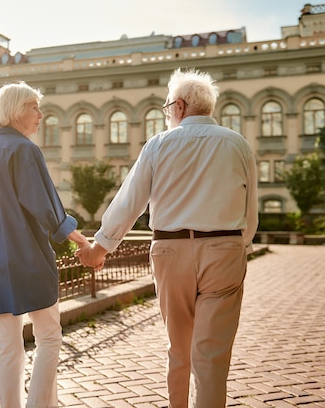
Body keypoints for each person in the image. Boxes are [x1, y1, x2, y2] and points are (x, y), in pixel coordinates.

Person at [76, 68, 258, 407]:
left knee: (179, 345)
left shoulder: (158, 145)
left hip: (170, 250)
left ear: (178, 106)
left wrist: (99, 248)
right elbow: (251, 210)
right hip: (225, 249)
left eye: (166, 109)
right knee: (212, 353)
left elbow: (129, 201)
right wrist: (239, 245)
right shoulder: (238, 144)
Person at [0, 81, 90, 408]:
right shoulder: (24, 150)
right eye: (33, 107)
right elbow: (47, 209)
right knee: (49, 337)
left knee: (8, 346)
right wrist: (82, 240)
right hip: (28, 261)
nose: (40, 114)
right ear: (15, 111)